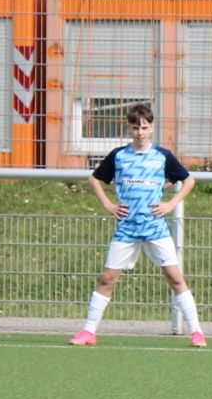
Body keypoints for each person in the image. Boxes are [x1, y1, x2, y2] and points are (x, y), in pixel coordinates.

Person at [71, 102, 204, 347]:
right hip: (127, 228)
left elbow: (188, 181)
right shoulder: (119, 156)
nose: (140, 132)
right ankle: (88, 331)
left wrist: (171, 204)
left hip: (155, 227)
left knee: (175, 278)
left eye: (144, 127)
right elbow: (94, 179)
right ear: (129, 128)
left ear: (152, 128)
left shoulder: (162, 156)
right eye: (135, 128)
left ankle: (197, 332)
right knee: (108, 279)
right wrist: (109, 205)